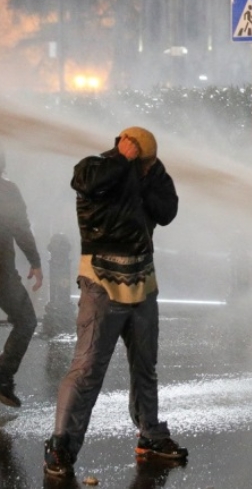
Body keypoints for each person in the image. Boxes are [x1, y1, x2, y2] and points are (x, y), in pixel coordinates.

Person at [44, 127, 186, 478]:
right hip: (101, 286)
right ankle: (60, 446)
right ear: (125, 149)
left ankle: (150, 435)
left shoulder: (149, 175)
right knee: (87, 369)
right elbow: (86, 184)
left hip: (143, 283)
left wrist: (146, 176)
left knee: (145, 366)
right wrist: (123, 162)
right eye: (145, 161)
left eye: (152, 163)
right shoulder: (96, 168)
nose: (150, 168)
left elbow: (167, 210)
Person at [0, 148, 43, 408]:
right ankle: (3, 377)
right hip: (2, 273)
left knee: (26, 320)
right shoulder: (7, 191)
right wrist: (35, 262)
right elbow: (21, 228)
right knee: (26, 320)